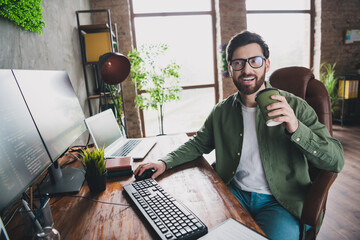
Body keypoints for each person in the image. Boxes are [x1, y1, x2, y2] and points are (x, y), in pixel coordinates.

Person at [134, 31, 344, 240]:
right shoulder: (222, 111)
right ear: (230, 70)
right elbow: (197, 144)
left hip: (280, 203)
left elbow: (336, 161)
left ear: (266, 64)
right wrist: (164, 162)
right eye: (238, 63)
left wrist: (296, 127)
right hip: (233, 194)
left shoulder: (295, 107)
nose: (246, 69)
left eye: (255, 61)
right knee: (190, 231)